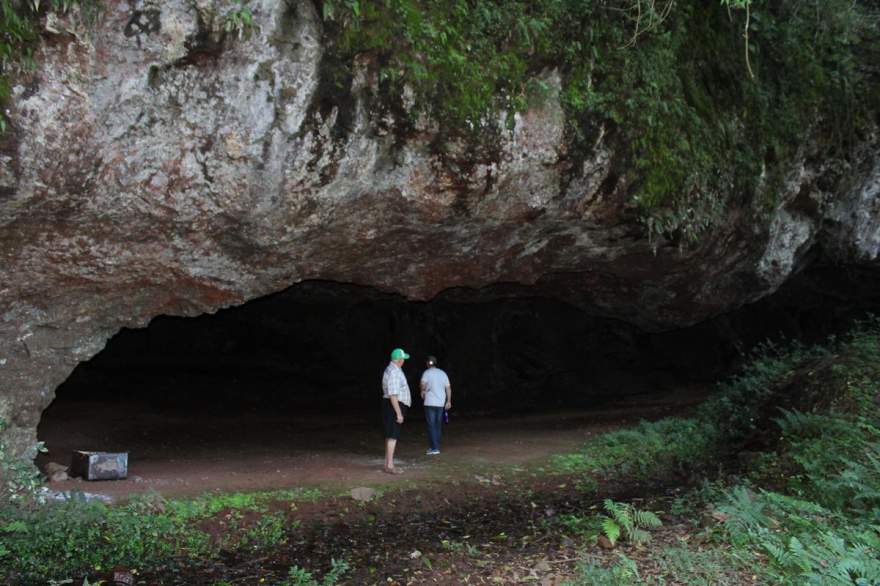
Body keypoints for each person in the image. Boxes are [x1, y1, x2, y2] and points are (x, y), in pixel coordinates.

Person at [381, 347, 412, 474]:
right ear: (399, 360)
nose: (404, 361)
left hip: (391, 404)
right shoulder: (394, 372)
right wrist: (399, 413)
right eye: (403, 359)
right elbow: (393, 394)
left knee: (389, 435)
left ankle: (387, 463)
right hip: (394, 405)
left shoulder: (393, 369)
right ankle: (390, 465)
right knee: (393, 436)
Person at [420, 355, 452, 455]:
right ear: (435, 363)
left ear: (427, 363)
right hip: (440, 403)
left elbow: (422, 384)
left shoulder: (426, 373)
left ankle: (434, 448)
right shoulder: (443, 373)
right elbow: (448, 388)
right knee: (437, 425)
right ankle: (435, 446)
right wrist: (448, 401)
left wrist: (422, 390)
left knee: (431, 425)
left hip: (430, 402)